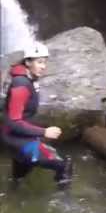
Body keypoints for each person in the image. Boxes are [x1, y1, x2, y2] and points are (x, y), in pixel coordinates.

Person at [1, 42, 72, 189]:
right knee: (64, 164)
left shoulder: (26, 78)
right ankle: (65, 203)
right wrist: (44, 132)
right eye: (39, 62)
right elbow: (14, 122)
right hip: (17, 138)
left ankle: (13, 196)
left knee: (20, 173)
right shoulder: (21, 84)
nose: (43, 66)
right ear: (27, 62)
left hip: (17, 136)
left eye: (45, 62)